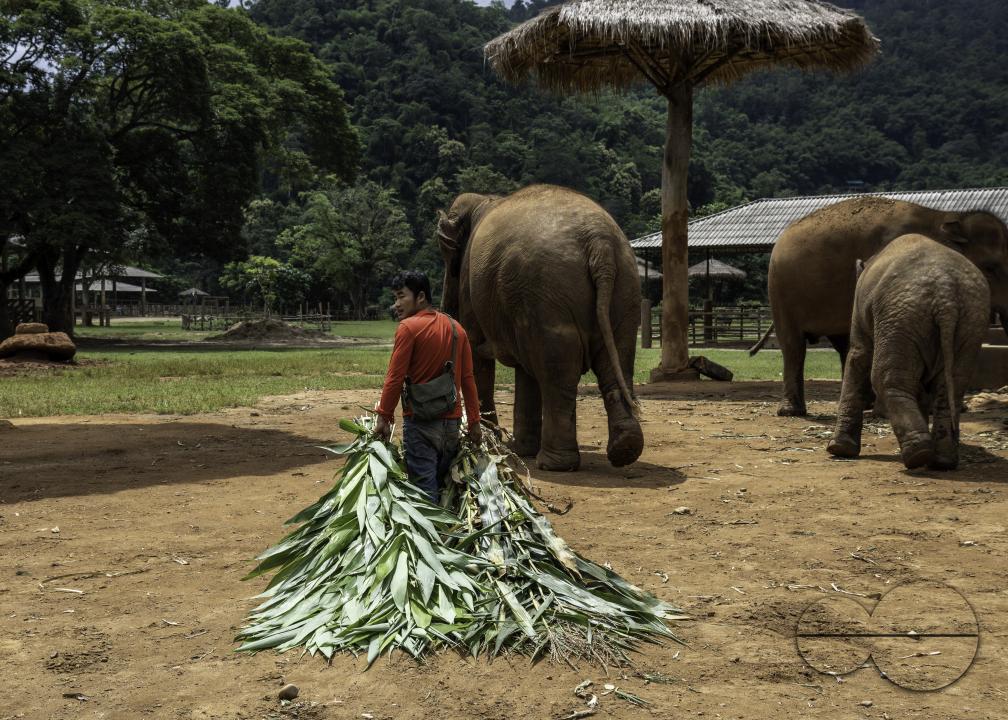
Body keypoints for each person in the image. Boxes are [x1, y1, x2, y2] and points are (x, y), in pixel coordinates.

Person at [374, 270, 481, 503]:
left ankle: (431, 536)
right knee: (443, 486)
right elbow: (468, 379)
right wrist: (474, 422)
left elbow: (395, 376)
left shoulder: (408, 328)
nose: (396, 304)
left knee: (425, 494)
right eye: (395, 298)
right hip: (451, 426)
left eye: (401, 296)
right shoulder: (457, 329)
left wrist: (384, 416)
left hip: (420, 425)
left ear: (420, 297)